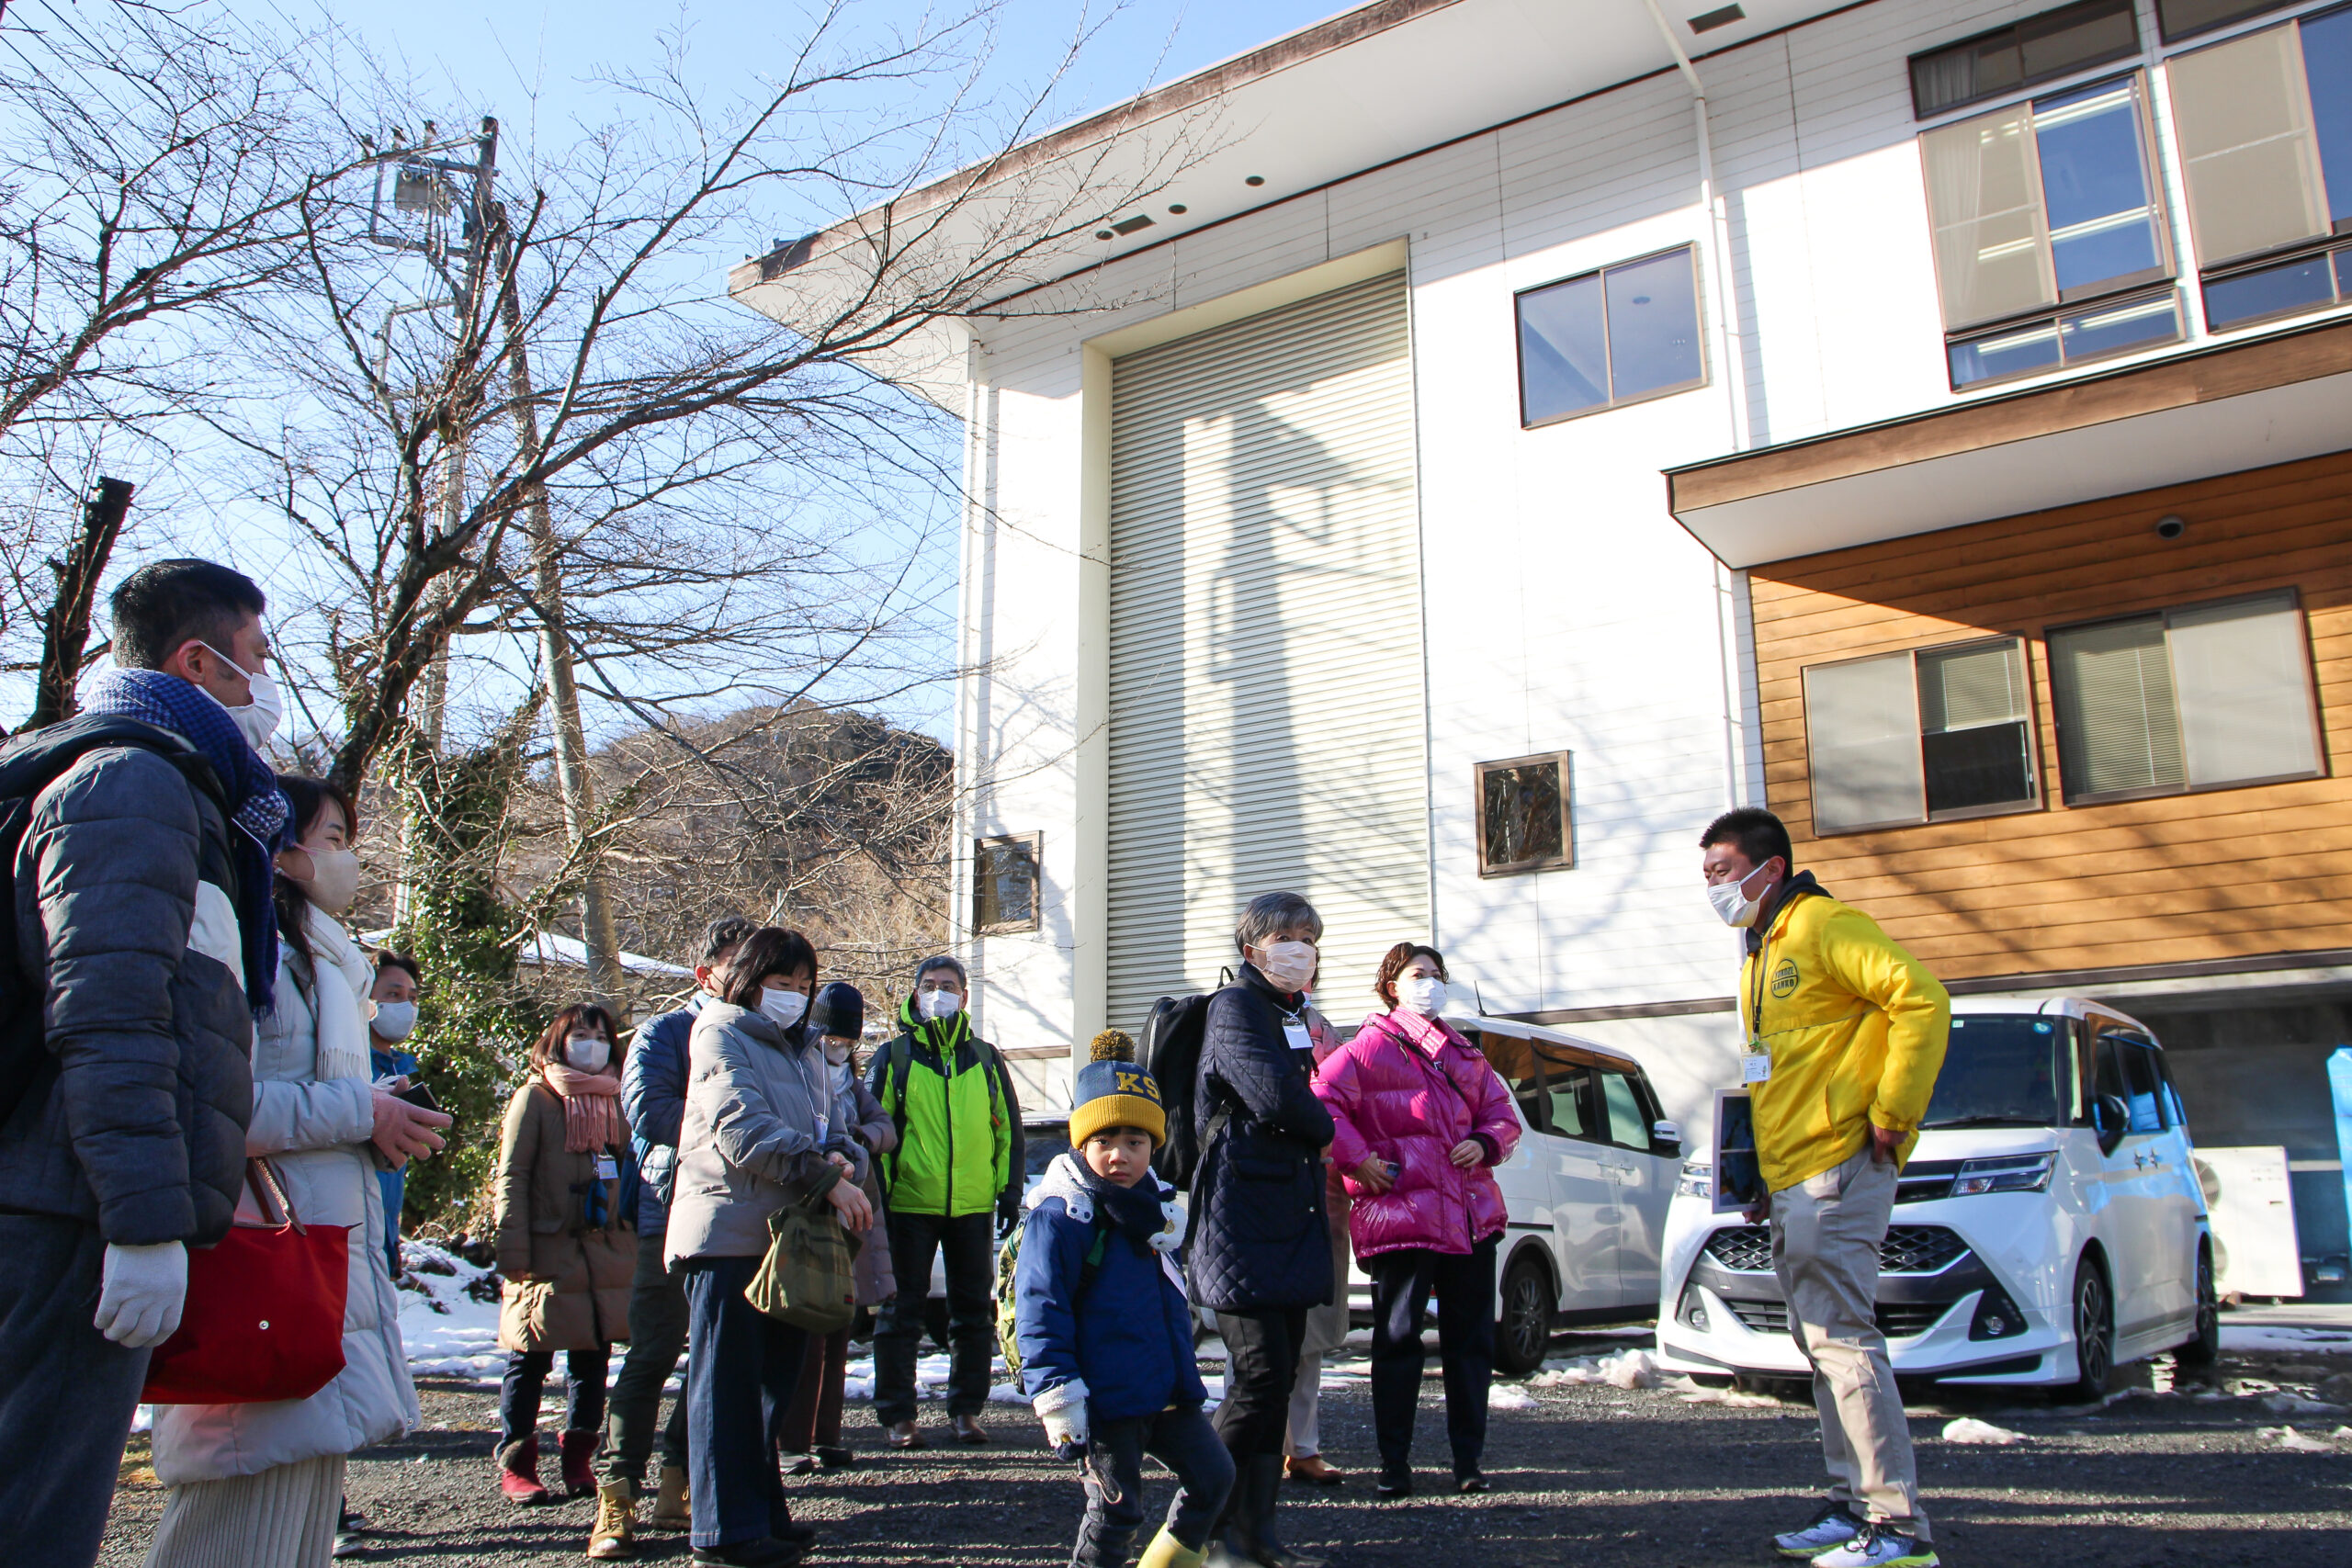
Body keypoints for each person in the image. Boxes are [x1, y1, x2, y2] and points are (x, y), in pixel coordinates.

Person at [0, 558, 290, 1568]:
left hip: (67, 1200)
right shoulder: (135, 784)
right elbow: (114, 1018)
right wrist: (141, 1224)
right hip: (59, 1214)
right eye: (257, 659)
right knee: (34, 1511)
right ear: (197, 662)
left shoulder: (169, 787)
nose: (268, 687)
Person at [143, 777, 450, 1566]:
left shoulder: (325, 957)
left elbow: (312, 1098)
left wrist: (378, 1112)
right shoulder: (245, 945)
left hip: (315, 1270)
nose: (348, 858)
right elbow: (215, 1107)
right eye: (335, 839)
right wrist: (362, 1112)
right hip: (260, 1268)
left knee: (296, 1523)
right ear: (278, 849)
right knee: (232, 1526)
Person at [1700, 807, 1948, 1568]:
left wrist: (1894, 1114)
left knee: (1844, 1342)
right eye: (1706, 874)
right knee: (1823, 1345)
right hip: (1796, 1176)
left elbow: (1922, 998)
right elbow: (1778, 1072)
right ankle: (1851, 1506)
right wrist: (1761, 1175)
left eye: (1721, 870)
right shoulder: (1761, 948)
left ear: (1768, 868)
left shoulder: (1819, 925)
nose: (1712, 887)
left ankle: (1898, 1527)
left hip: (1838, 1166)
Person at [666, 927, 873, 1568]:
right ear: (749, 980)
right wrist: (825, 1174)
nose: (794, 996)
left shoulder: (804, 1050)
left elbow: (841, 1130)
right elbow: (740, 1127)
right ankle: (723, 1531)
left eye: (804, 985)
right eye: (782, 983)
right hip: (727, 1234)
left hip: (786, 1237)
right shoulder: (719, 1031)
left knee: (770, 1384)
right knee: (725, 1386)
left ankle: (763, 1515)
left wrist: (845, 1158)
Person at [1016, 1036, 1234, 1568]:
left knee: (1215, 1479)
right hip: (1102, 1401)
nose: (1120, 1154)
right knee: (1117, 1511)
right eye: (1105, 1138)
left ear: (1153, 1145)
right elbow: (1040, 1310)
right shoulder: (1063, 1214)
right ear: (1082, 1143)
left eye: (1135, 1140)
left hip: (1164, 1390)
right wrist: (1058, 1399)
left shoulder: (1154, 1215)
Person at [1313, 943, 1519, 1499]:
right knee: (1399, 1339)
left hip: (1471, 1216)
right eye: (1416, 975)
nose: (1429, 983)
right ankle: (1394, 1464)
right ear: (1391, 986)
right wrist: (1358, 1158)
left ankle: (1468, 1460)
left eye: (1436, 975)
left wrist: (1485, 1141)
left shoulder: (1465, 1054)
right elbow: (1321, 1099)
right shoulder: (1366, 1048)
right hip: (1403, 1215)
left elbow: (1503, 1115)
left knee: (1471, 1342)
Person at [590, 917, 755, 1559]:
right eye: (736, 963)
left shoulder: (765, 1036)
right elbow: (648, 1111)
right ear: (705, 971)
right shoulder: (666, 1032)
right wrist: (736, 1128)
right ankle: (616, 1493)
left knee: (715, 1359)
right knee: (653, 1351)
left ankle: (678, 1482)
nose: (748, 978)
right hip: (671, 1211)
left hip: (742, 1217)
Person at [1188, 892, 1337, 1568]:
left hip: (1286, 1219)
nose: (1298, 946)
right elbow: (1281, 1100)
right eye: (1285, 934)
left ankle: (1255, 1533)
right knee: (1255, 1379)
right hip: (1241, 1219)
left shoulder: (1292, 1014)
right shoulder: (1236, 1007)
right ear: (1251, 947)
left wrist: (1312, 1112)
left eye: (1308, 936)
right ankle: (1197, 1525)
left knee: (1274, 1385)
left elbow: (1293, 1100)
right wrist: (1323, 1121)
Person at [866, 955, 1023, 1450]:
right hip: (910, 1205)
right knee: (901, 1313)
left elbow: (1008, 1130)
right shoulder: (893, 1058)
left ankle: (967, 1410)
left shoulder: (986, 1057)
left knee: (974, 1313)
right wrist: (883, 1199)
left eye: (948, 986)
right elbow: (878, 1133)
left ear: (964, 996)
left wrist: (1010, 1191)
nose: (939, 993)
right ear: (915, 995)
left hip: (973, 1205)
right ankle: (898, 1415)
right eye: (930, 986)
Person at [494, 1004, 637, 1506]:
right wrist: (512, 1245)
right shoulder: (534, 1099)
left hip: (603, 1250)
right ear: (558, 1040)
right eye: (581, 1034)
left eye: (601, 1036)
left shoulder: (617, 1100)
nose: (593, 1044)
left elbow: (631, 1173)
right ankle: (518, 1460)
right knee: (530, 1357)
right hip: (546, 1249)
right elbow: (513, 1175)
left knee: (592, 1359)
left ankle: (579, 1457)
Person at [779, 981, 897, 1474]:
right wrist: (836, 1148)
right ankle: (791, 1441)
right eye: (832, 1041)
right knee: (803, 1328)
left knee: (838, 1328)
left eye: (847, 1043)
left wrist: (857, 1142)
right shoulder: (794, 1071)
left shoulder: (852, 1081)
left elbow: (885, 1127)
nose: (838, 1050)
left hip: (852, 1212)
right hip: (810, 1208)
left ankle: (827, 1435)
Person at [1283, 976, 1350, 1489]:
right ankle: (1246, 1446)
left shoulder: (1322, 1029)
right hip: (1265, 1196)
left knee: (1312, 1336)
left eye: (1308, 947)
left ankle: (1303, 1448)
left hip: (1323, 1196)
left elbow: (1346, 1107)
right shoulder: (1239, 1017)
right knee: (1256, 1336)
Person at [367, 951, 424, 1281]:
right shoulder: (344, 1064)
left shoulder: (403, 1071)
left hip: (382, 1240)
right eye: (393, 994)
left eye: (412, 998)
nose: (406, 1006)